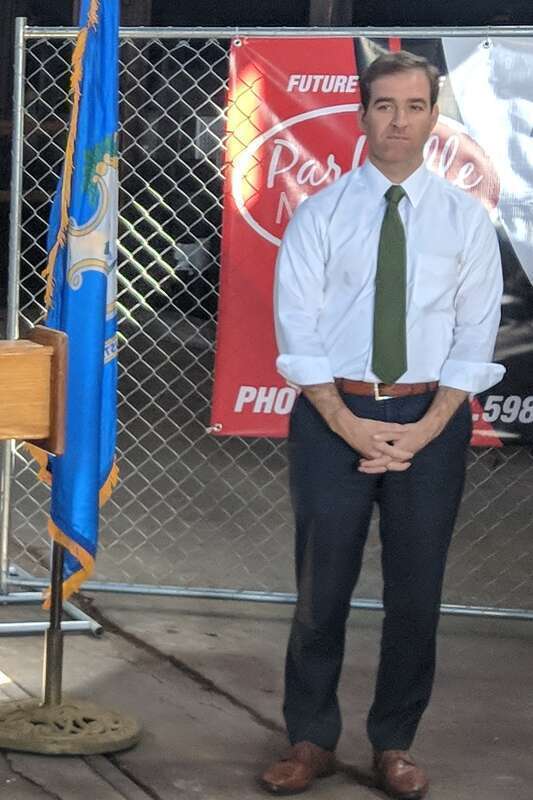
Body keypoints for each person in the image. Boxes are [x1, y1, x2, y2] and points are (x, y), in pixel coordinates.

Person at [260, 51, 504, 799]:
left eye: (414, 106)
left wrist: (424, 428)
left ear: (435, 117)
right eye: (383, 105)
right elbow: (295, 331)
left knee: (414, 592)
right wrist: (345, 420)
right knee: (319, 587)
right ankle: (310, 737)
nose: (398, 120)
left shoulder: (465, 220)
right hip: (332, 418)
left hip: (428, 421)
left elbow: (474, 335)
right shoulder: (320, 213)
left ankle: (393, 742)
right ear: (362, 114)